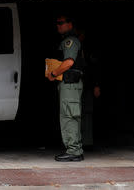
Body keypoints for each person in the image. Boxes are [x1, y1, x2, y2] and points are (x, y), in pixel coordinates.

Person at [47, 15, 85, 162]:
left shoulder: (71, 41)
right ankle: (75, 149)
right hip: (69, 85)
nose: (58, 25)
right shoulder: (68, 41)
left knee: (70, 116)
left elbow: (69, 62)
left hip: (71, 84)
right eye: (57, 23)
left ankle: (74, 151)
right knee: (70, 115)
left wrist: (53, 73)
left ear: (70, 24)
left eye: (61, 23)